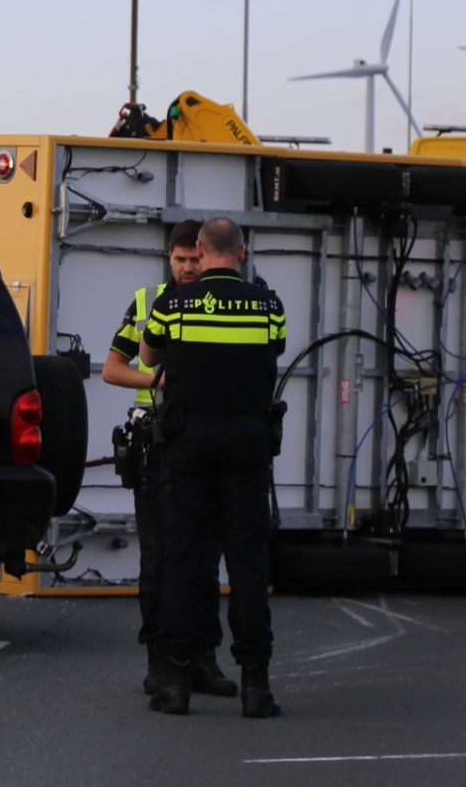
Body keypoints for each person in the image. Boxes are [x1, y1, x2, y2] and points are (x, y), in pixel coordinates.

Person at [140, 217, 287, 718]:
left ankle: (176, 684)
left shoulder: (172, 303)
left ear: (199, 252)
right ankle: (256, 687)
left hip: (187, 442)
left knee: (183, 557)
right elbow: (275, 349)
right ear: (242, 254)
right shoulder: (269, 305)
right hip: (248, 442)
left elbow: (147, 354)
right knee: (247, 561)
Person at [101, 219, 236, 700]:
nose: (187, 268)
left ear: (207, 254)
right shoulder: (147, 303)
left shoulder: (226, 303)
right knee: (159, 557)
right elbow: (113, 369)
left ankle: (202, 657)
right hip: (155, 446)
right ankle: (160, 660)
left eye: (193, 259)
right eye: (179, 259)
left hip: (204, 444)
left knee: (205, 558)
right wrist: (158, 383)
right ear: (170, 258)